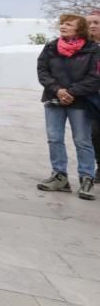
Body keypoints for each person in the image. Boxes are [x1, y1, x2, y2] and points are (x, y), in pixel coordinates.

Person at [35, 13, 99, 200]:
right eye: (62, 23)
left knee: (82, 140)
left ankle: (86, 178)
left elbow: (95, 77)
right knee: (54, 138)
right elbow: (43, 71)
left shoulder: (93, 50)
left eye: (68, 24)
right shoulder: (51, 47)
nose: (63, 26)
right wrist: (58, 91)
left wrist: (71, 92)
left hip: (80, 102)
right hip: (54, 99)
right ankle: (59, 176)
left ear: (79, 29)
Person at [89, 9, 100, 167]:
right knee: (94, 133)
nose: (92, 26)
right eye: (88, 23)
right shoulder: (83, 46)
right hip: (91, 97)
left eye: (96, 23)